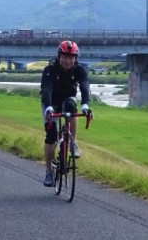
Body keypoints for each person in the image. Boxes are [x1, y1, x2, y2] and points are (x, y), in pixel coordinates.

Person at [40, 40, 91, 187]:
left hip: (68, 98)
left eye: (71, 57)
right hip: (51, 101)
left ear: (76, 58)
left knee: (71, 109)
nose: (68, 61)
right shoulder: (50, 69)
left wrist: (85, 105)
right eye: (65, 57)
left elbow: (85, 87)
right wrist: (49, 107)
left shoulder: (79, 70)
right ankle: (49, 171)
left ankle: (73, 142)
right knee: (50, 136)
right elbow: (47, 89)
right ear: (59, 56)